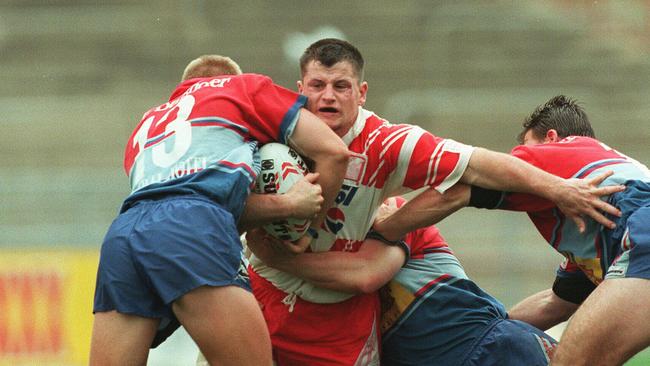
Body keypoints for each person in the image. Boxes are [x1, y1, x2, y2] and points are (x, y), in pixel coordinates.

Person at [245, 39, 622, 365]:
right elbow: (552, 304)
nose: (328, 95)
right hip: (275, 305)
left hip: (482, 347)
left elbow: (466, 176)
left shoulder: (401, 210)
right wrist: (277, 211)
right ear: (299, 89)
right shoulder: (269, 138)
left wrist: (558, 188)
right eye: (317, 85)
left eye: (341, 85)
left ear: (361, 93)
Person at [89, 54, 349, 365]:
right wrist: (305, 227)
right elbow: (334, 153)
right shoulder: (244, 89)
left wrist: (282, 205)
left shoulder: (146, 125)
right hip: (192, 229)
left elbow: (183, 197)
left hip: (123, 236)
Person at [373, 95, 650, 365]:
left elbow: (457, 191)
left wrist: (385, 228)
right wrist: (487, 331)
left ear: (551, 138)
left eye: (525, 146)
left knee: (573, 359)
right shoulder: (595, 237)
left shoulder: (554, 154)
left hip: (643, 238)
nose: (516, 160)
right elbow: (556, 304)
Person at [246, 197, 558, 365]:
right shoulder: (275, 286)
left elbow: (366, 275)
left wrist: (282, 260)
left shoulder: (392, 214)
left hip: (492, 350)